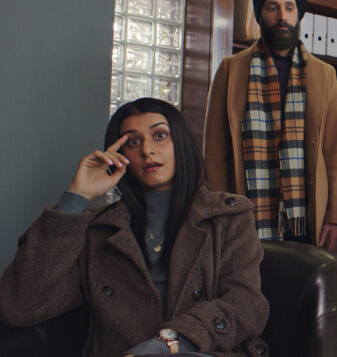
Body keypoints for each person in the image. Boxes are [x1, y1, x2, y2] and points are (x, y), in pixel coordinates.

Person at [0, 98, 269, 357]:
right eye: (132, 141)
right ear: (118, 156)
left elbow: (245, 305)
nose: (147, 150)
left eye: (160, 135)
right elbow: (21, 305)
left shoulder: (227, 216)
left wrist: (167, 344)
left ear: (182, 142)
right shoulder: (99, 231)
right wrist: (76, 197)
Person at [203, 0, 337, 250]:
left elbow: (334, 153)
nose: (282, 16)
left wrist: (335, 216)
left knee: (299, 284)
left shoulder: (324, 74)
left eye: (289, 7)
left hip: (304, 212)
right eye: (273, 7)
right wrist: (218, 211)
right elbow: (216, 152)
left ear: (298, 15)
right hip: (246, 210)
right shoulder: (231, 69)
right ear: (260, 15)